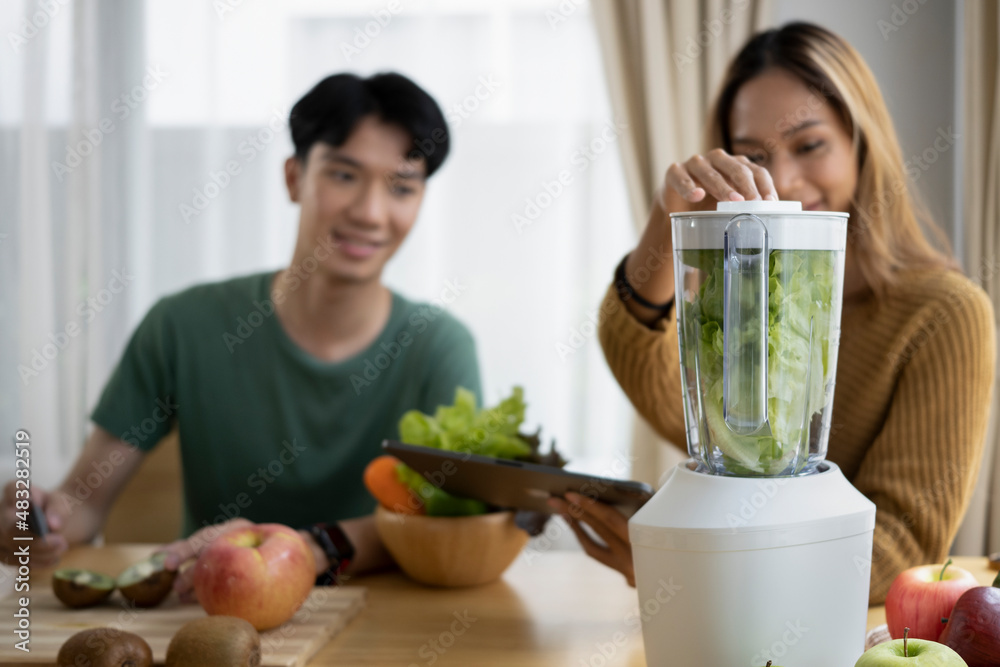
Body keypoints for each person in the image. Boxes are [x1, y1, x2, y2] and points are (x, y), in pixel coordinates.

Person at [550, 22, 996, 604]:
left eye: (810, 145)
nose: (782, 182)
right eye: (753, 156)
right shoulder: (740, 300)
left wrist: (696, 569)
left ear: (862, 143)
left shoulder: (946, 314)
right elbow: (657, 387)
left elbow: (898, 550)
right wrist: (670, 215)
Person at [1, 72, 481, 591]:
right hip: (207, 617)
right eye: (343, 175)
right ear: (294, 177)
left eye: (402, 187)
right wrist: (38, 525)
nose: (370, 212)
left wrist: (310, 549)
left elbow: (449, 519)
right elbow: (84, 504)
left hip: (380, 622)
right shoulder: (182, 326)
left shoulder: (440, 347)